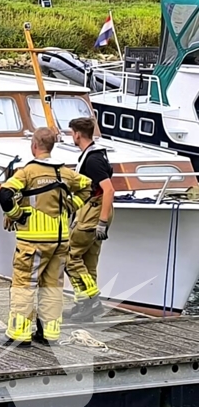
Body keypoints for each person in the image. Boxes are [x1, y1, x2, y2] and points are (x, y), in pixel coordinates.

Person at [0, 127, 91, 347]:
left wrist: (17, 215)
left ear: (34, 146)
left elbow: (5, 194)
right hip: (60, 241)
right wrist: (70, 206)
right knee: (52, 287)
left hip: (33, 242)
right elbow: (89, 187)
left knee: (24, 286)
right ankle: (49, 334)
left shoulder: (27, 172)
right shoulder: (65, 172)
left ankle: (19, 335)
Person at [66, 116, 115, 321]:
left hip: (93, 213)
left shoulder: (93, 160)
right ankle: (84, 307)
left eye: (71, 133)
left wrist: (102, 223)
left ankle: (92, 297)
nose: (71, 137)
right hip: (96, 212)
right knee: (88, 260)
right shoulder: (94, 154)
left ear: (77, 134)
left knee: (70, 256)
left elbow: (108, 189)